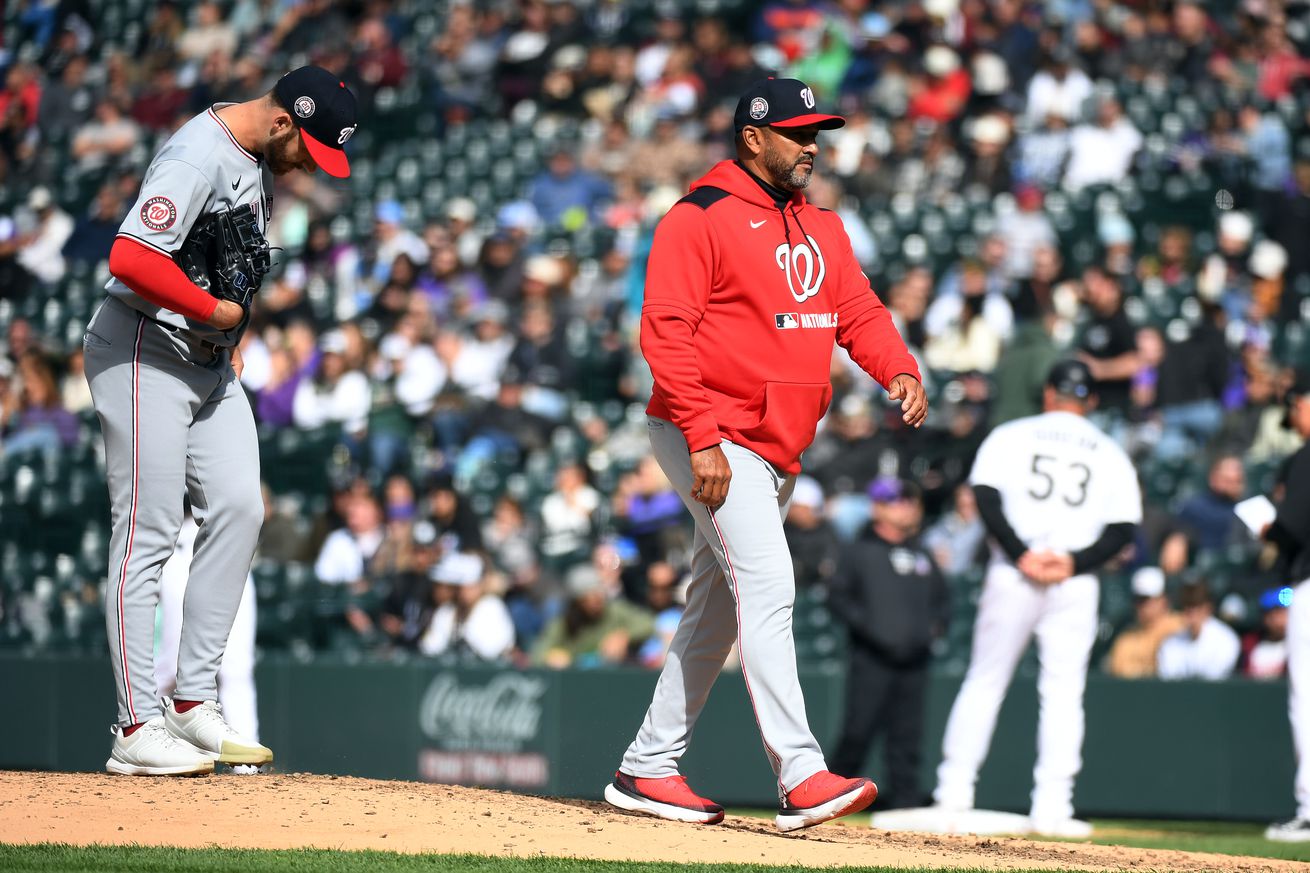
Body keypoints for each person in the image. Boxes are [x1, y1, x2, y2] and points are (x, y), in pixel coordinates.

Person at [604, 78, 926, 833]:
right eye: (796, 132)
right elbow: (666, 332)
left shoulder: (822, 225)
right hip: (708, 429)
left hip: (774, 442)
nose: (811, 145)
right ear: (753, 137)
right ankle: (801, 771)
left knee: (714, 607)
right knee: (768, 577)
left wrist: (898, 366)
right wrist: (703, 434)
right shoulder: (699, 217)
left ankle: (648, 766)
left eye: (816, 132)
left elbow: (857, 311)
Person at [84, 65, 356, 776]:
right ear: (282, 123)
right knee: (146, 530)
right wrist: (212, 314)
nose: (311, 167)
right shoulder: (197, 152)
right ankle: (136, 723)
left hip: (206, 360)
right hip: (143, 347)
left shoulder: (255, 158)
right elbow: (132, 254)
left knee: (240, 507)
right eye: (311, 149)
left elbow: (233, 262)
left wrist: (229, 336)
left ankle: (191, 702)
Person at [932, 360, 1142, 838]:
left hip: (1015, 573)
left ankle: (954, 793)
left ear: (1049, 394)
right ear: (1088, 400)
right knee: (1064, 692)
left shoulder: (1014, 434)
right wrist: (1073, 562)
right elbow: (1123, 527)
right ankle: (1053, 806)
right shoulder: (1110, 451)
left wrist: (1020, 553)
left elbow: (985, 496)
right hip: (1074, 580)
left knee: (985, 679)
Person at [828, 477, 948, 810]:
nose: (906, 506)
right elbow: (838, 597)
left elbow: (942, 601)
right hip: (872, 657)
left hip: (914, 660)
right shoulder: (858, 550)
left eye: (910, 500)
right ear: (877, 507)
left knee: (907, 738)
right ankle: (832, 797)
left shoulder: (922, 552)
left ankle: (906, 804)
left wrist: (933, 630)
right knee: (858, 731)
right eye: (897, 500)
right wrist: (870, 630)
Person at [153, 512, 261, 772]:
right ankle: (143, 743)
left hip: (231, 548)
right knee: (171, 670)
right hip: (182, 546)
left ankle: (247, 766)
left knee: (236, 670)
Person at [1263, 373, 1310, 841]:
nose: (1295, 422)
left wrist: (1267, 529)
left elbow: (1291, 527)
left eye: (1295, 409)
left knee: (1307, 697)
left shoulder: (1305, 456)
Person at [1104, 566, 1184, 679]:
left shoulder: (1179, 627)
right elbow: (1118, 669)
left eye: (1146, 600)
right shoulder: (1127, 637)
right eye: (1137, 600)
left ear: (1163, 600)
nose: (1141, 606)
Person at [1156, 581, 1241, 680]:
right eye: (1187, 605)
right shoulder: (1170, 644)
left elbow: (1213, 681)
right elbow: (1168, 680)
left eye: (1196, 606)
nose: (1191, 612)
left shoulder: (1226, 639)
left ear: (1208, 608)